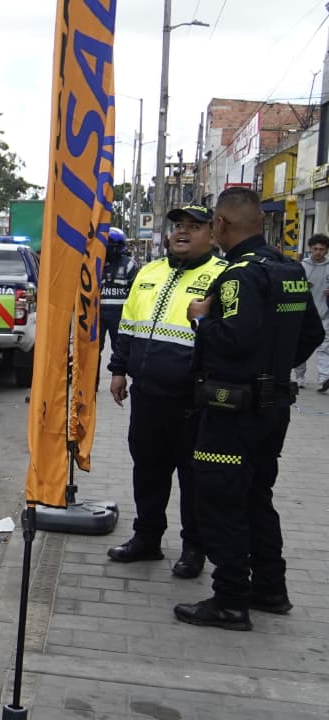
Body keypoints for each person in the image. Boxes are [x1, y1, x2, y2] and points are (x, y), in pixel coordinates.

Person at [178, 187, 325, 631]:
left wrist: (201, 317)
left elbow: (234, 339)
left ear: (221, 225)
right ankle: (270, 589)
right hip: (274, 406)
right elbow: (312, 335)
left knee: (221, 500)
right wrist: (274, 367)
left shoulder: (239, 275)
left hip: (231, 411)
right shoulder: (289, 268)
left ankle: (230, 600)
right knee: (258, 496)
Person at [106, 204, 228, 579]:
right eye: (178, 225)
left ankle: (194, 548)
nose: (183, 232)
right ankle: (147, 539)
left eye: (194, 226)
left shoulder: (222, 276)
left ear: (212, 233)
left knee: (194, 478)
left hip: (193, 398)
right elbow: (128, 325)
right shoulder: (149, 272)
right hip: (147, 394)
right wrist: (118, 370)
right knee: (148, 470)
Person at [293, 233, 329, 391]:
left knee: (324, 347)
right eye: (315, 249)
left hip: (325, 313)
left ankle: (324, 378)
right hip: (303, 314)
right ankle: (299, 377)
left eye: (322, 249)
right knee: (302, 344)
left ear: (326, 250)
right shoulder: (300, 267)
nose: (318, 252)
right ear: (310, 249)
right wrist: (301, 287)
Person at [99, 227, 139, 352]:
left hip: (120, 315)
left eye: (110, 246)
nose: (107, 249)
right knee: (93, 350)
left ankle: (118, 371)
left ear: (119, 247)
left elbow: (136, 294)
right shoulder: (96, 263)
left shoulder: (129, 265)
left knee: (120, 349)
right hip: (98, 314)